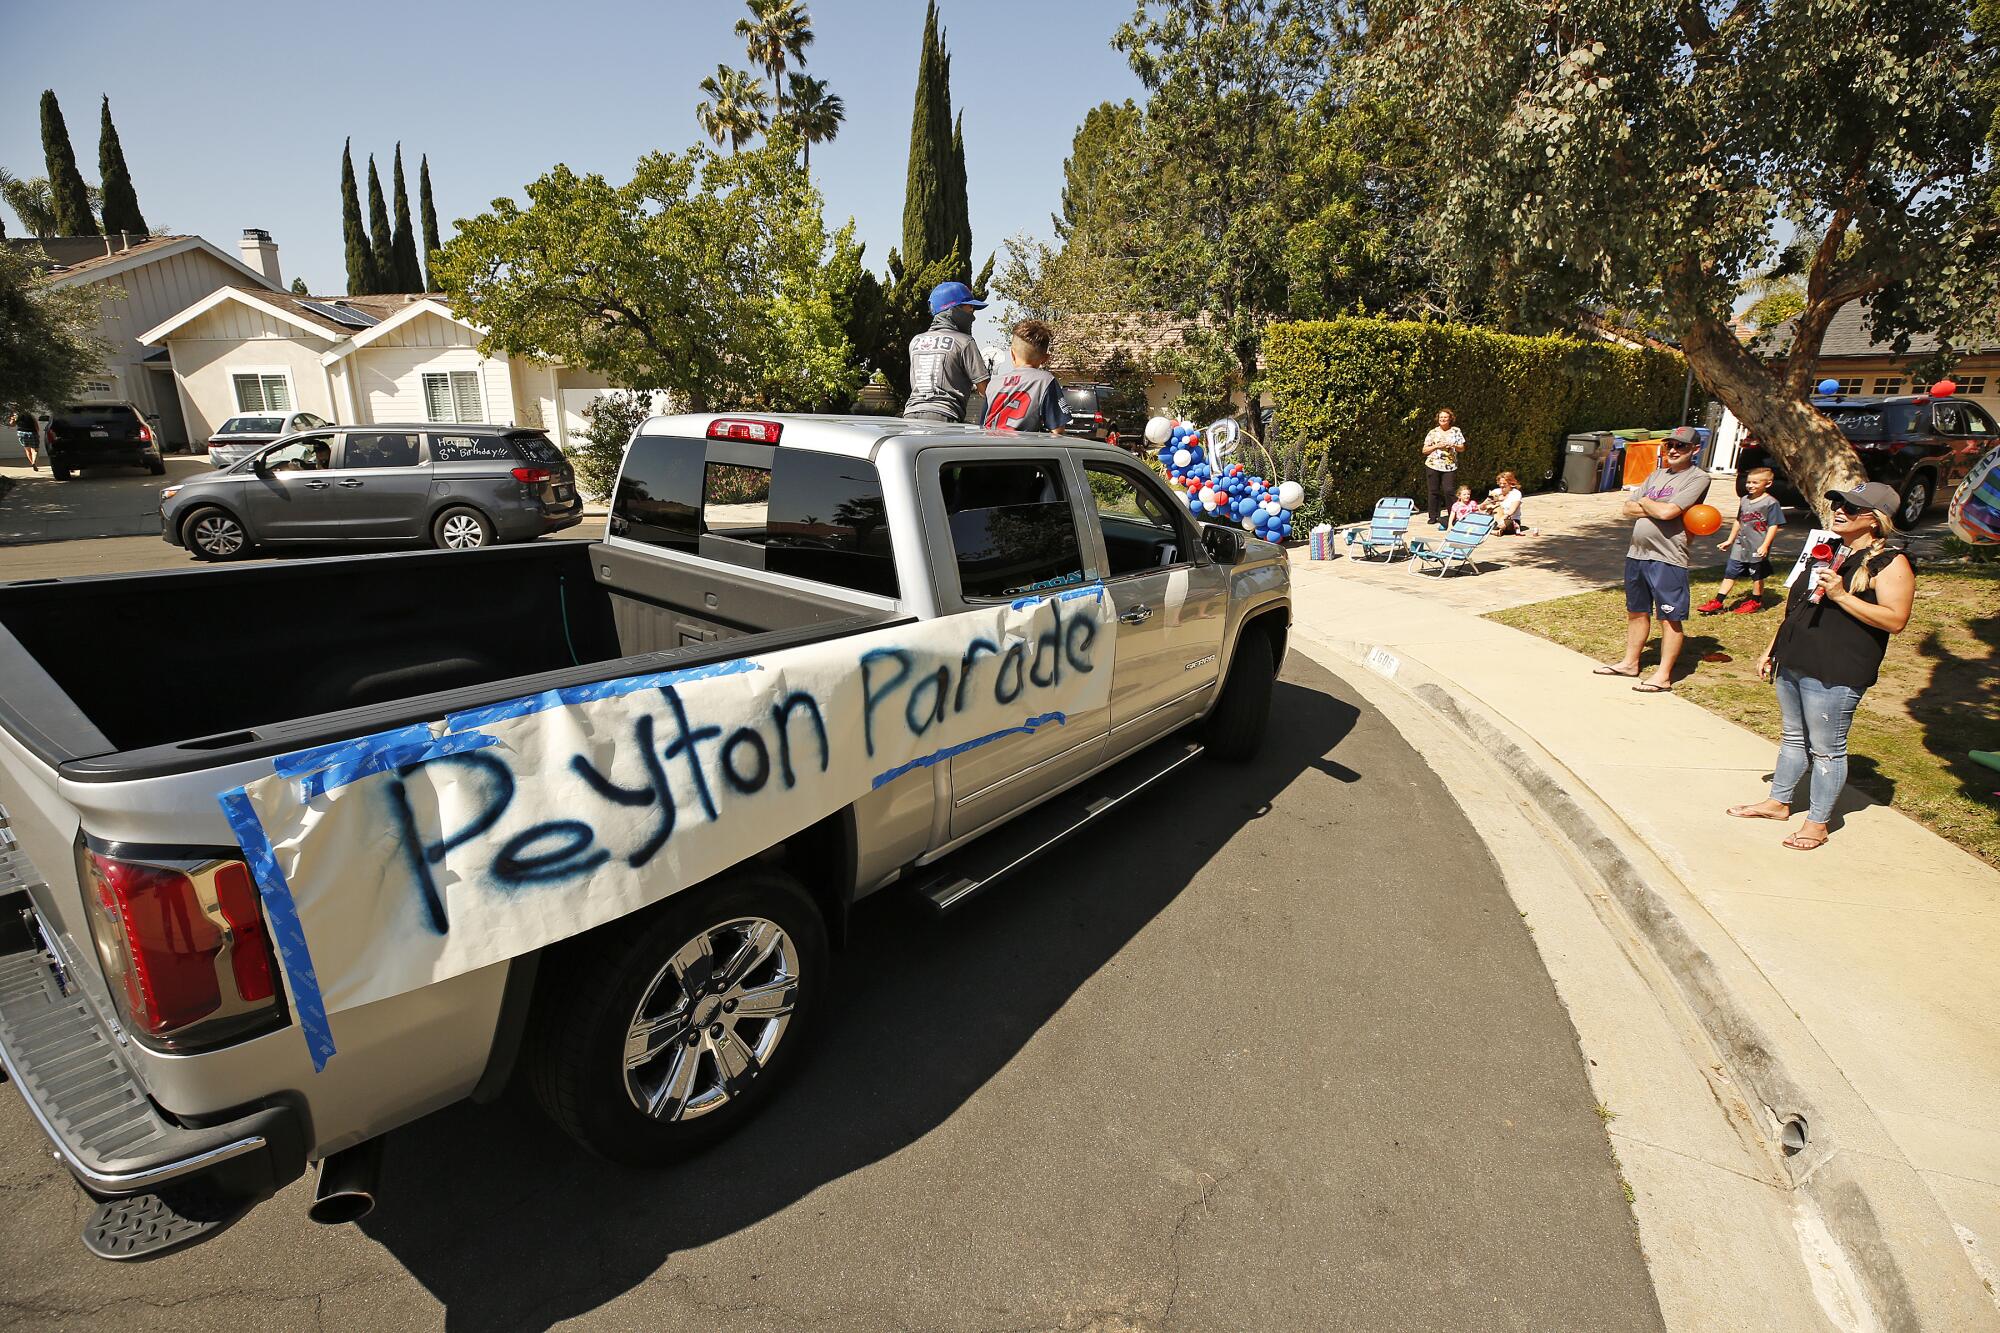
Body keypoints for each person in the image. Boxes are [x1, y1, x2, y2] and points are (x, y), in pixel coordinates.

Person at [1726, 483, 1914, 851]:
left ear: (1875, 520)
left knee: (1828, 749)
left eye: (1852, 508)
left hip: (1837, 668)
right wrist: (1773, 648)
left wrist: (1842, 596)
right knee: (1793, 737)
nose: (1840, 511)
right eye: (1839, 504)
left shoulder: (1890, 562)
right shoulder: (1827, 549)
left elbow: (1895, 620)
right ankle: (1778, 802)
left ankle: (1817, 823)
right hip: (1796, 657)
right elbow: (1797, 605)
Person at [1594, 425, 1712, 693]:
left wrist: (1646, 503)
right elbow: (1626, 508)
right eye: (1669, 445)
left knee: (1669, 616)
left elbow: (1669, 512)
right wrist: (1652, 507)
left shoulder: (1698, 478)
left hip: (1668, 556)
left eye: (1680, 446)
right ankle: (1629, 663)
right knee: (1636, 611)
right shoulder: (1657, 474)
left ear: (1695, 449)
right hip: (1637, 553)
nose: (1672, 450)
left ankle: (1663, 675)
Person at [1697, 466, 1785, 614]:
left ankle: (1756, 601)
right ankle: (1718, 601)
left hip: (1757, 546)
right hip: (1740, 544)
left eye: (1755, 483)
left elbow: (1773, 525)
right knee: (1730, 573)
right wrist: (1730, 540)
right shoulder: (1744, 500)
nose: (1750, 486)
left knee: (1757, 575)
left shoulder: (1771, 503)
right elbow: (1739, 521)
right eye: (1749, 482)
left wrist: (1765, 545)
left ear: (1768, 484)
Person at [904, 280, 990, 424]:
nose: (973, 316)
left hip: (910, 415)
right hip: (945, 416)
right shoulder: (964, 341)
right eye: (970, 309)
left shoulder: (916, 341)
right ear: (953, 310)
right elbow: (985, 390)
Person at [981, 320, 1071, 434]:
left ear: (1012, 354)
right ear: (1045, 358)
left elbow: (983, 425)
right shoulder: (1045, 381)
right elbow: (1057, 430)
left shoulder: (993, 383)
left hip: (989, 447)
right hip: (1022, 449)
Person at [1419, 408, 1465, 527]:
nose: (1443, 419)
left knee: (1449, 490)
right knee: (1433, 491)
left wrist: (1453, 445)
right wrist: (1437, 446)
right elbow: (1424, 450)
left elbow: (1462, 448)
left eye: (1445, 417)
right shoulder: (1432, 432)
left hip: (1450, 466)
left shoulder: (1456, 431)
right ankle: (1433, 516)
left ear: (1450, 419)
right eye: (1441, 418)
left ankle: (1453, 515)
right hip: (1433, 465)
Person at [1491, 470, 1534, 534]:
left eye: (1504, 483)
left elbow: (1512, 511)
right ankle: (1494, 531)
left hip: (1511, 519)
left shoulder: (1516, 493)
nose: (1502, 485)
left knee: (1506, 524)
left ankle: (1493, 530)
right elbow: (1484, 506)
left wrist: (1502, 519)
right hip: (1496, 518)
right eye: (1500, 483)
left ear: (1511, 484)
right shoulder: (1495, 491)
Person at [13, 407, 38, 471]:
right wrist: (37, 431)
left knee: (27, 450)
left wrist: (12, 419)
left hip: (21, 433)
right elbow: (36, 424)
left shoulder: (16, 416)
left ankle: (32, 463)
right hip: (32, 432)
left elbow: (12, 424)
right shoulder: (30, 415)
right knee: (34, 450)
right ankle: (34, 462)